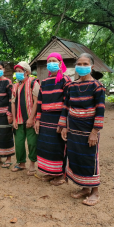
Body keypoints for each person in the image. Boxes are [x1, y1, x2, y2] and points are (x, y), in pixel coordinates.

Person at [59, 53, 105, 206]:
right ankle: (85, 188)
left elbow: (100, 110)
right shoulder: (71, 86)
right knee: (76, 157)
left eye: (85, 64)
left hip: (88, 130)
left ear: (92, 67)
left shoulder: (97, 87)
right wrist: (64, 126)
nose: (82, 67)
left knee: (90, 159)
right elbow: (66, 107)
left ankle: (95, 192)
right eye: (80, 64)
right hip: (73, 129)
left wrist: (94, 132)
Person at [35, 53, 71, 185]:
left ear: (60, 63)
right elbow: (40, 102)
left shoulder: (66, 80)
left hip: (58, 118)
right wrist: (38, 120)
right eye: (49, 61)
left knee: (58, 147)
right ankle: (50, 172)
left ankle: (61, 175)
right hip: (45, 118)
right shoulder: (44, 82)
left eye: (54, 61)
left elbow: (67, 102)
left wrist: (63, 122)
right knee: (46, 146)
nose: (51, 63)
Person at [11, 61, 40, 175]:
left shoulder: (33, 82)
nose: (17, 74)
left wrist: (32, 118)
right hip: (18, 119)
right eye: (16, 72)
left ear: (26, 72)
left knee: (32, 142)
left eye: (19, 71)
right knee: (18, 142)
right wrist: (14, 119)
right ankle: (21, 163)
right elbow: (13, 103)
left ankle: (32, 164)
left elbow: (36, 101)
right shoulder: (15, 86)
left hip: (30, 119)